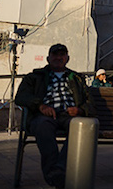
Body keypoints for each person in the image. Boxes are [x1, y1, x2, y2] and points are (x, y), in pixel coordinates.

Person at [15, 44, 95, 188]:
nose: (58, 58)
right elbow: (21, 96)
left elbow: (90, 102)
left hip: (70, 116)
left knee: (80, 129)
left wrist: (81, 110)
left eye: (62, 55)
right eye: (55, 55)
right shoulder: (34, 77)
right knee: (42, 126)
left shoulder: (77, 78)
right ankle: (56, 171)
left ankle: (57, 170)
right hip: (45, 115)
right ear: (48, 58)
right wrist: (40, 105)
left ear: (67, 58)